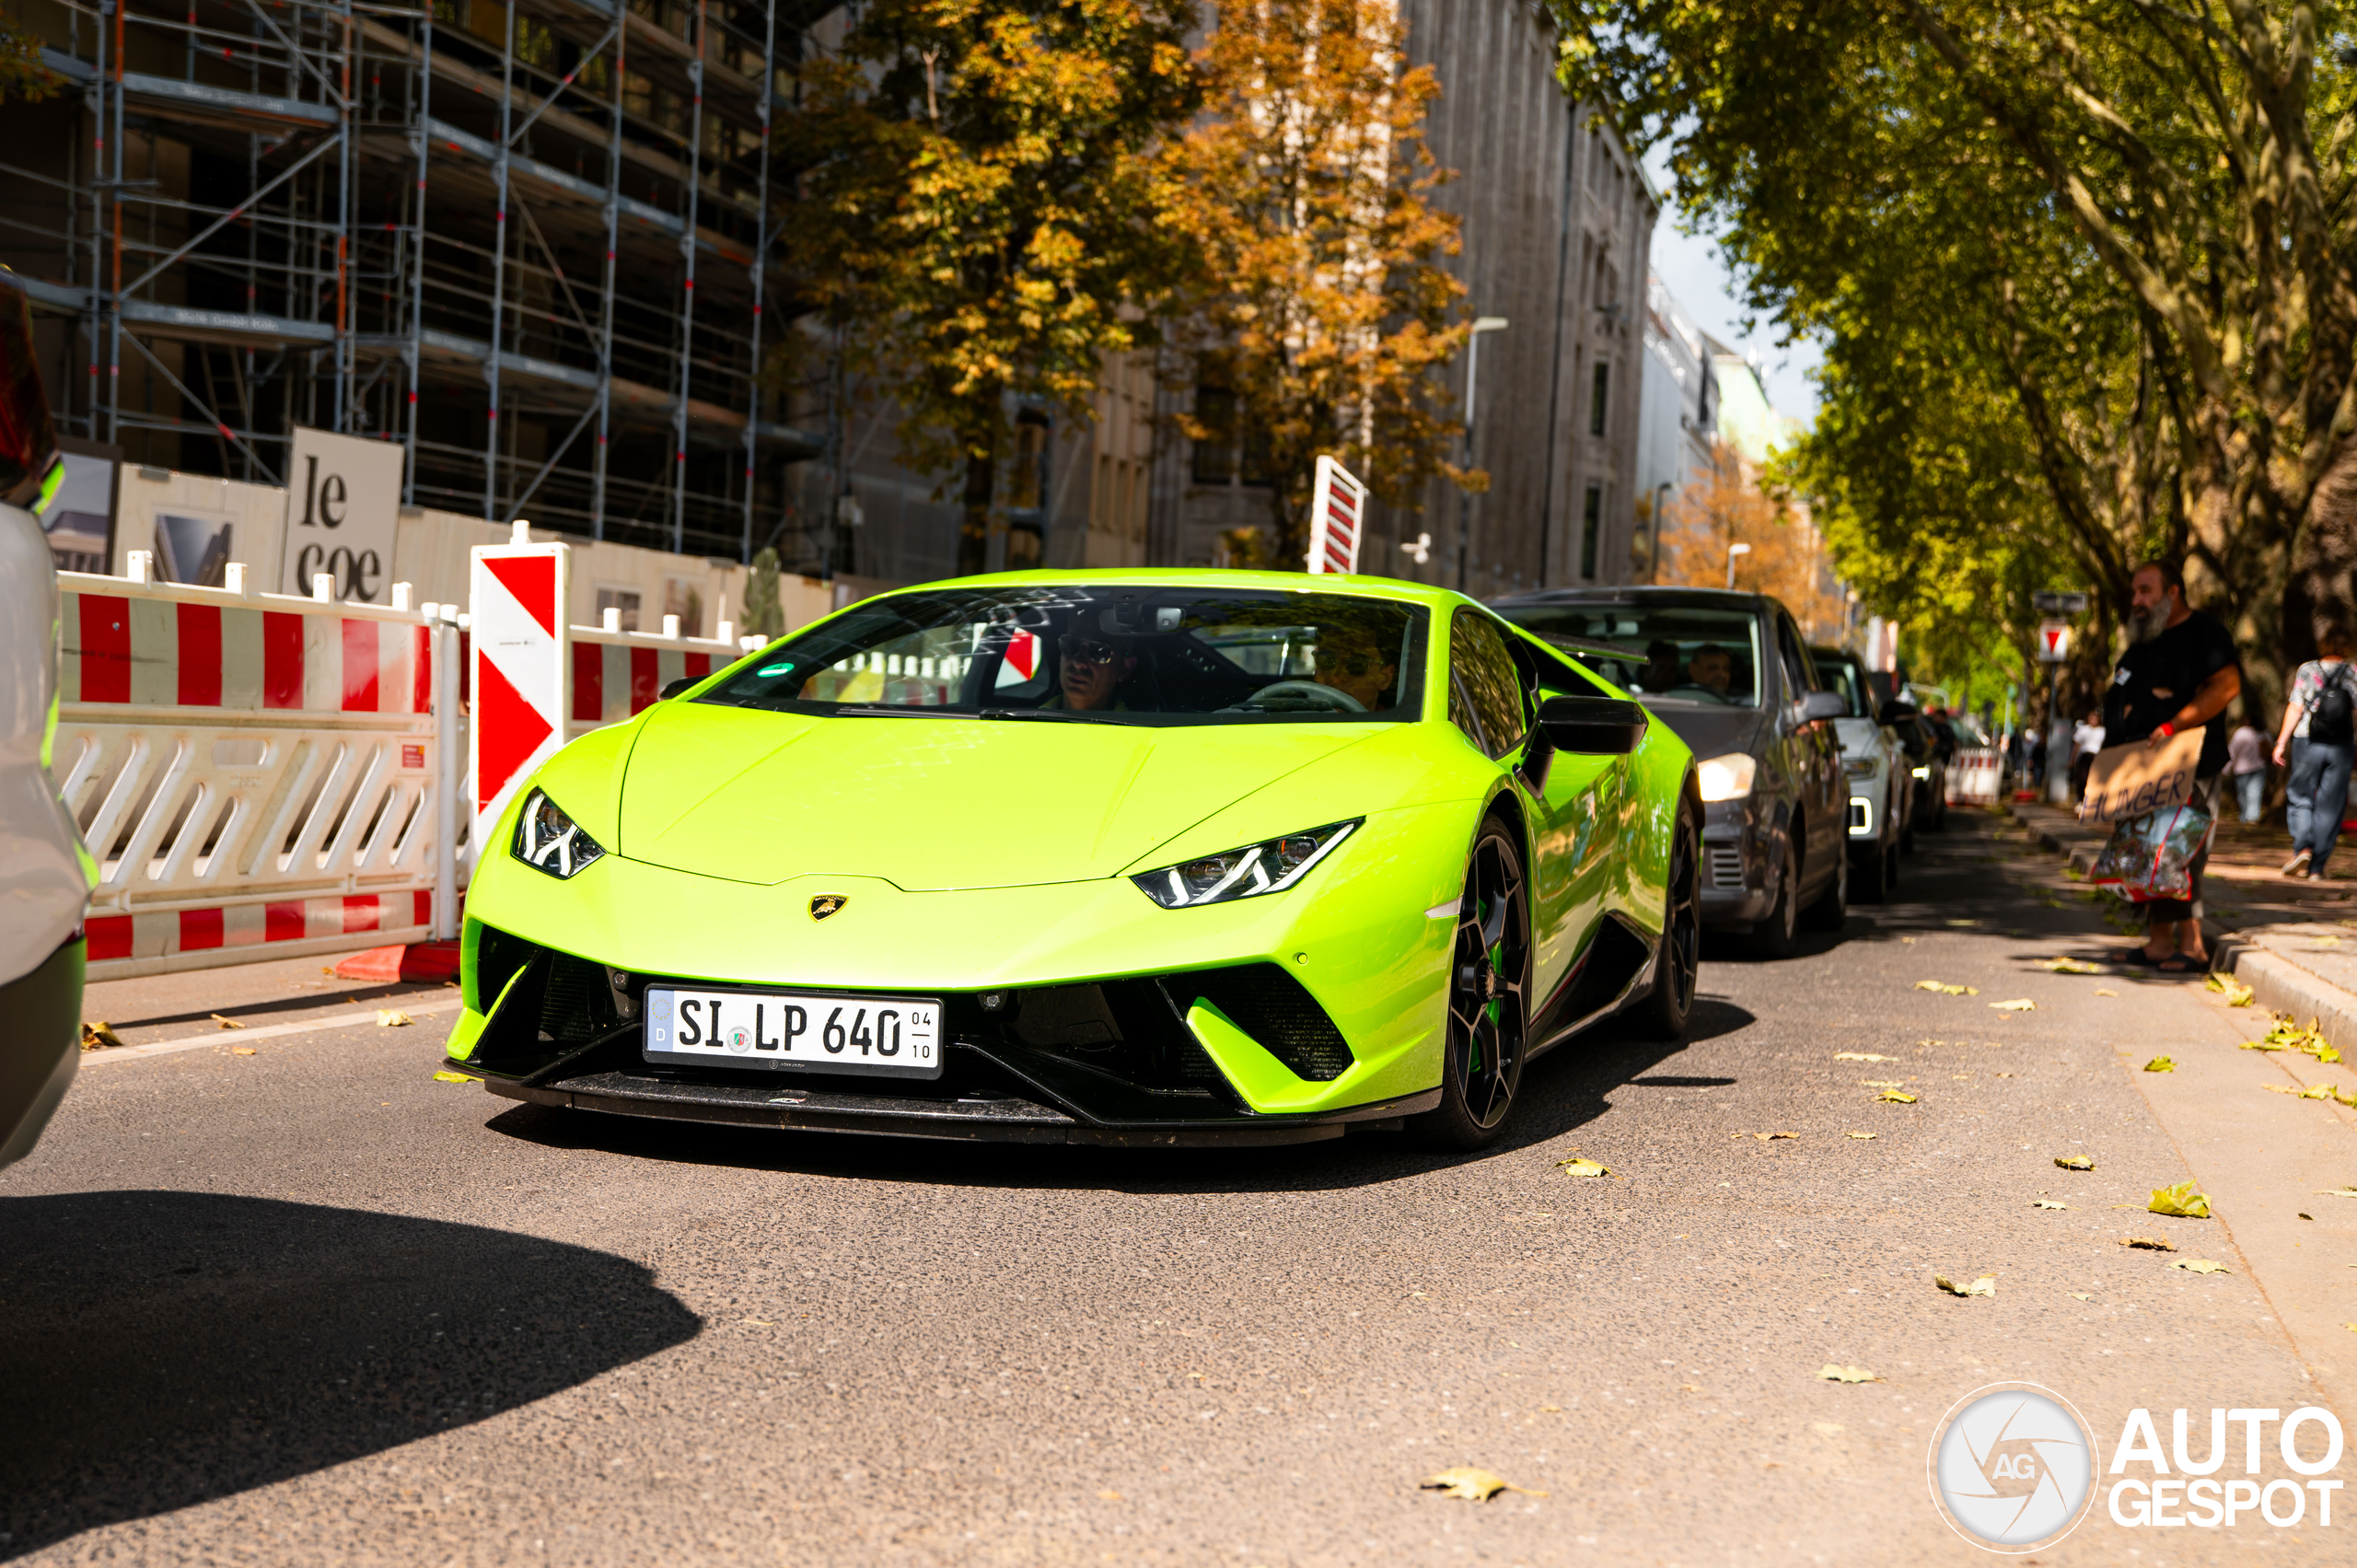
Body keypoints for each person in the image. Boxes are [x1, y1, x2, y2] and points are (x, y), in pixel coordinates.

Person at [2103, 560, 2242, 972]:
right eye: (2134, 592)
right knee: (2146, 852)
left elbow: (2227, 686)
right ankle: (2159, 943)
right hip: (2140, 766)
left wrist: (2173, 724)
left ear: (2173, 592)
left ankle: (2193, 946)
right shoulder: (2142, 641)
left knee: (2180, 849)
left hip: (2190, 762)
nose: (2136, 600)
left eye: (2145, 590)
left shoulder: (2205, 633)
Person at [2271, 623, 2356, 877]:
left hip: (2307, 740)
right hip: (2341, 744)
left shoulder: (2307, 669)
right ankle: (2317, 867)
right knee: (2331, 804)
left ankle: (2302, 848)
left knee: (2301, 795)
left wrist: (2280, 742)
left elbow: (2296, 707)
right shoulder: (2354, 671)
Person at [2226, 710, 2268, 824]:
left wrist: (2226, 769)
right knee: (2255, 793)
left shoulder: (2241, 732)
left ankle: (2245, 817)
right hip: (2259, 768)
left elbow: (2232, 751)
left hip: (2242, 769)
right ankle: (2252, 817)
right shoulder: (2263, 733)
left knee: (2243, 794)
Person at [2070, 711, 2105, 802]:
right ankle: (2081, 799)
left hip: (2096, 756)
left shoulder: (2102, 731)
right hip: (2085, 755)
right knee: (2082, 779)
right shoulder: (2083, 729)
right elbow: (2076, 746)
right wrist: (2072, 758)